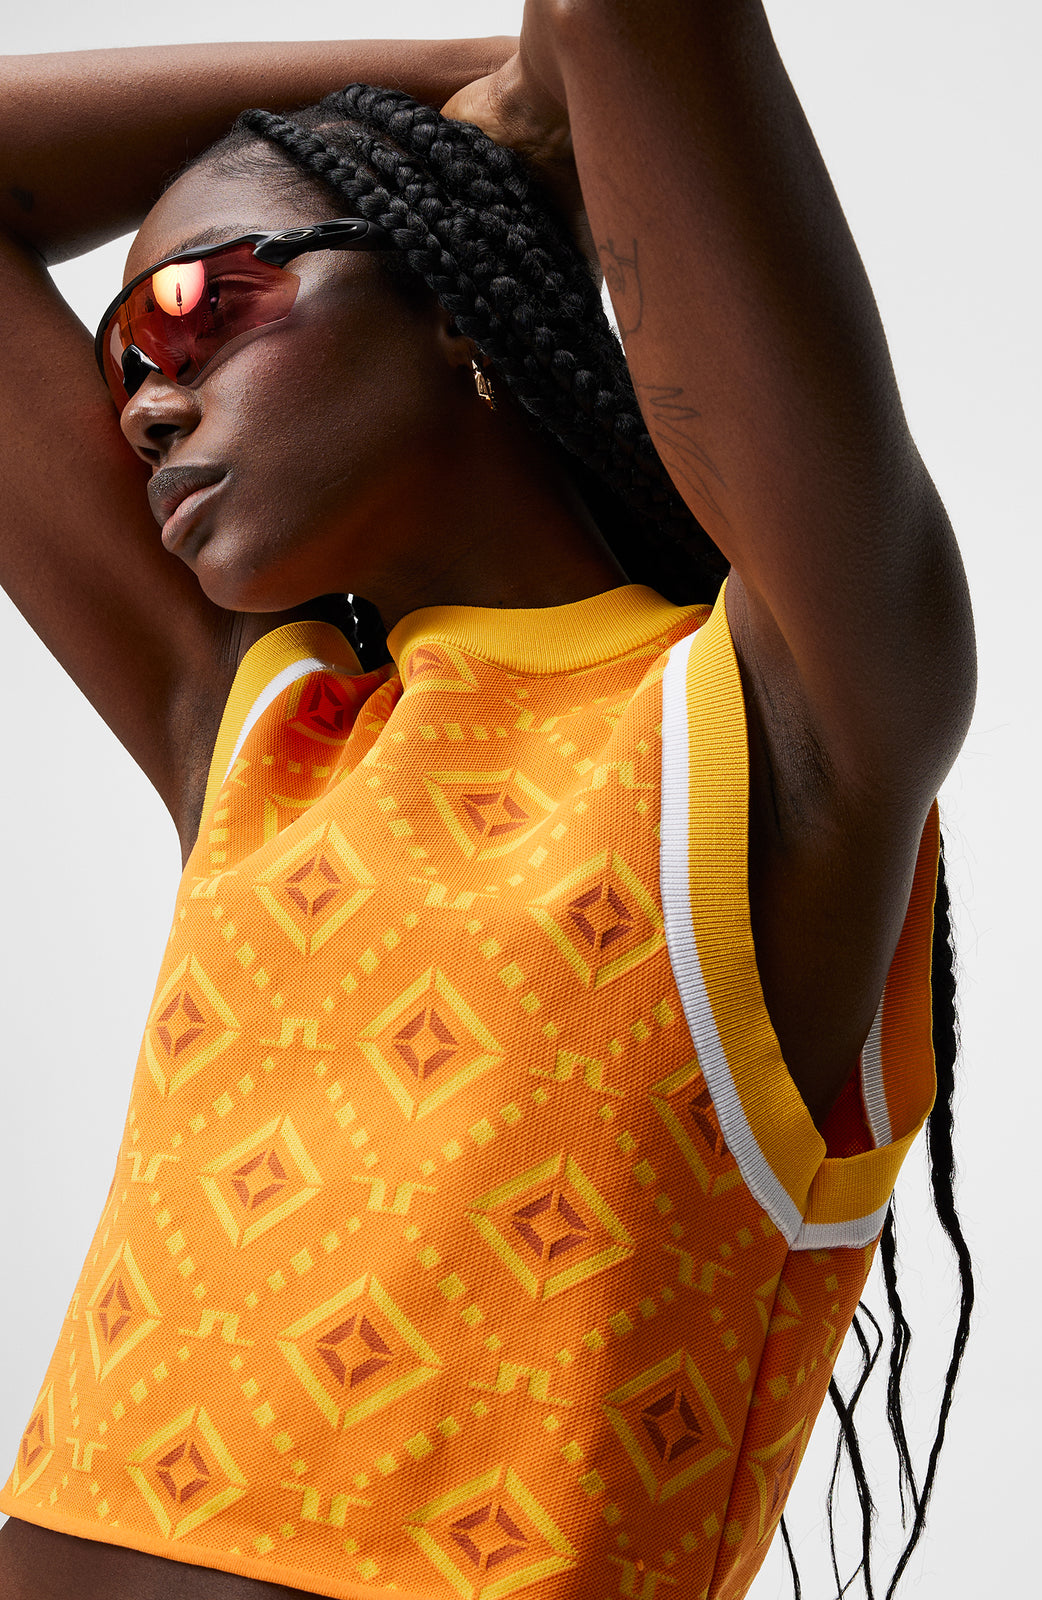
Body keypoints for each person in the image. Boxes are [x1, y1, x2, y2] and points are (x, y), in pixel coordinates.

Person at [0, 4, 976, 1597]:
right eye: (121, 360)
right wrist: (468, 85)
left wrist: (542, 93)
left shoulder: (780, 723)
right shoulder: (264, 742)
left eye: (203, 302)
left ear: (451, 298)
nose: (145, 402)